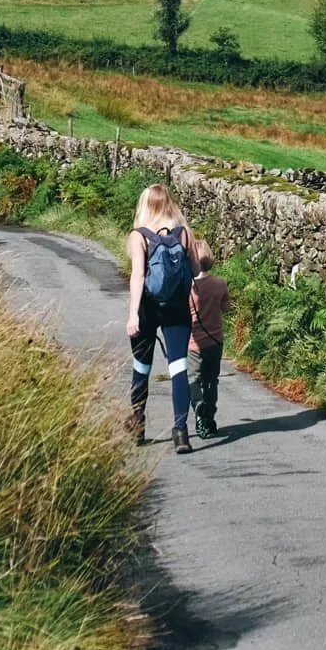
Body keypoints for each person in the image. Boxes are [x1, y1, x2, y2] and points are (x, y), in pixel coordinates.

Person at [125, 183, 210, 454]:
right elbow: (197, 273)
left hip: (148, 308)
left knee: (142, 367)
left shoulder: (138, 235)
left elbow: (138, 276)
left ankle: (138, 423)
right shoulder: (185, 235)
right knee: (179, 369)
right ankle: (181, 432)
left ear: (145, 204)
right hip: (177, 308)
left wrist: (132, 315)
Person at [190, 252, 230, 439]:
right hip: (215, 340)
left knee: (193, 379)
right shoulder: (220, 284)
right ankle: (210, 418)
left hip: (193, 342)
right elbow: (226, 308)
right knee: (211, 380)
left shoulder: (188, 287)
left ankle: (198, 407)